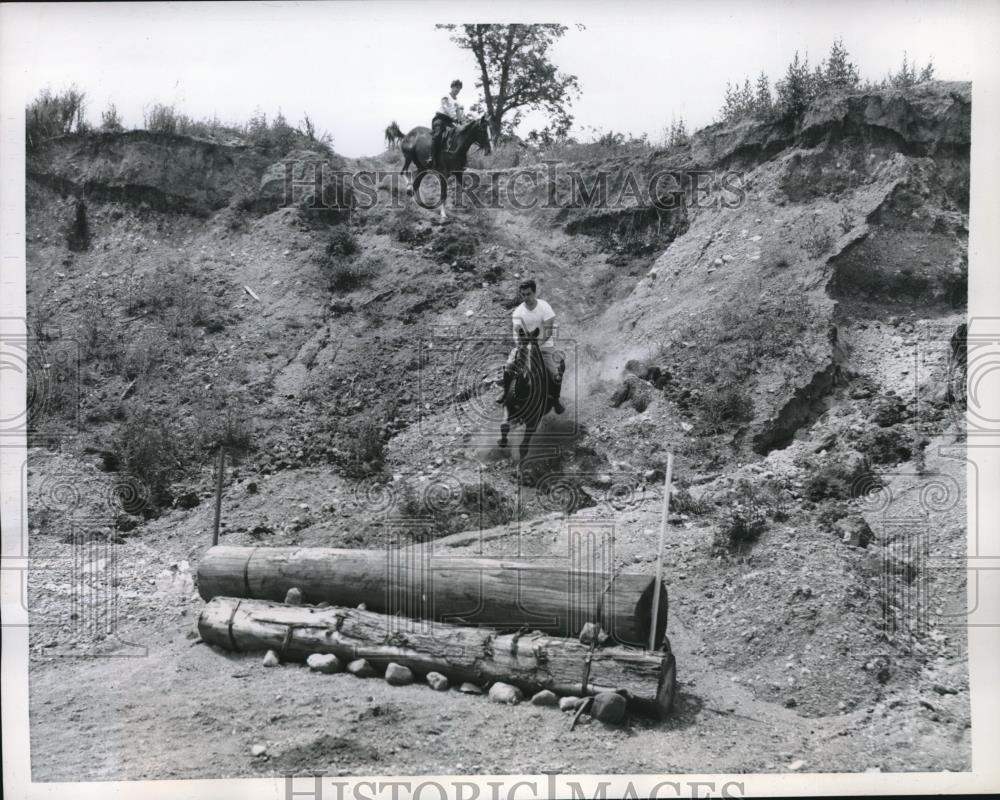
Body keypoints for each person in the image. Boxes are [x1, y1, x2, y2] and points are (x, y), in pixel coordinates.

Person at [497, 279, 565, 414]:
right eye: (523, 294)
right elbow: (517, 331)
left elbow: (548, 330)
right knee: (508, 367)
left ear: (534, 292)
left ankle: (556, 399)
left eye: (528, 294)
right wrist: (522, 346)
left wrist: (536, 345)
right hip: (524, 346)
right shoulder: (518, 312)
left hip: (544, 346)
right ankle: (505, 394)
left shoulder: (545, 307)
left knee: (556, 374)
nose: (526, 297)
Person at [431, 79, 465, 171]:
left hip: (450, 121)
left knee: (459, 135)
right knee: (438, 135)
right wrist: (452, 117)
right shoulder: (446, 96)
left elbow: (458, 112)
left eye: (459, 88)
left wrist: (460, 121)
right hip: (440, 119)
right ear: (452, 87)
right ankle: (431, 157)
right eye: (456, 87)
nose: (457, 90)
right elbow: (445, 107)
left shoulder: (458, 101)